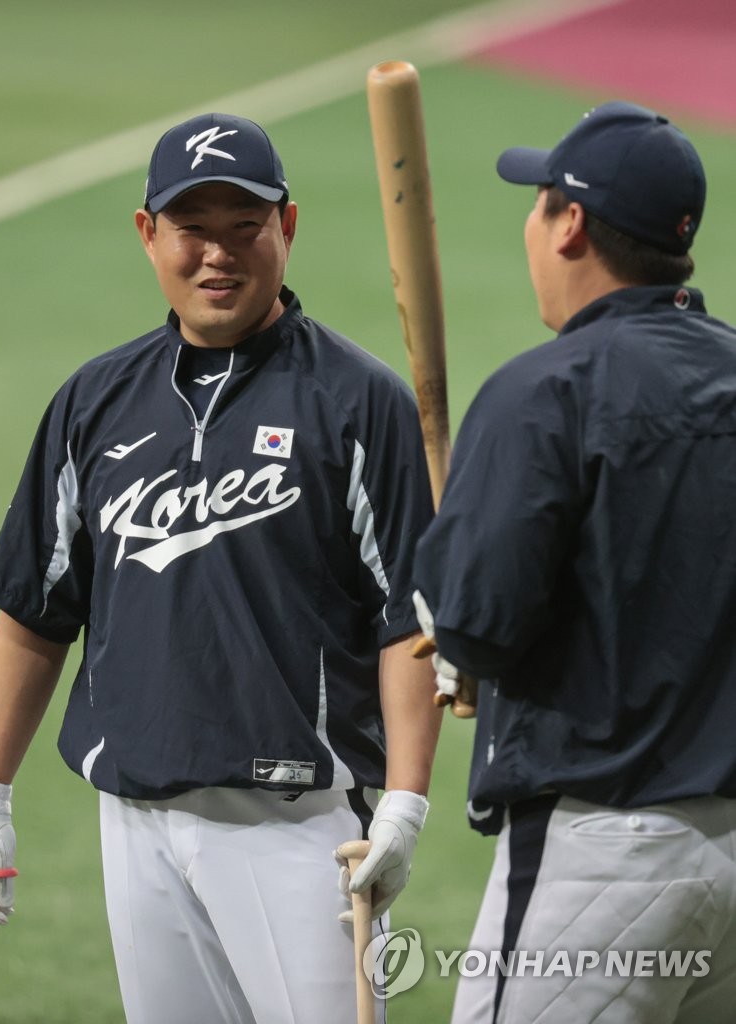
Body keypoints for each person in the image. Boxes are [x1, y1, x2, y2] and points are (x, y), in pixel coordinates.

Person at [0, 112, 442, 1024]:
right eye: (194, 230)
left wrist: (405, 803)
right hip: (134, 819)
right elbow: (36, 607)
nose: (219, 255)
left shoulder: (355, 400)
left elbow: (406, 621)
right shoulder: (93, 404)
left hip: (300, 828)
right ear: (149, 236)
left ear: (286, 229)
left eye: (244, 227)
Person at [412, 100, 736, 1023]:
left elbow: (477, 620)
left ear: (572, 225)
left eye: (539, 200)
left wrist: (448, 609)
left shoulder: (542, 392)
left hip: (607, 856)